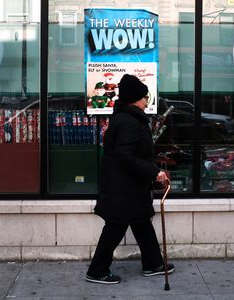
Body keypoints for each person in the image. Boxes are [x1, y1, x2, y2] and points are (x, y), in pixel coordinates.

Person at [85, 74, 174, 284]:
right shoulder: (128, 122)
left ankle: (153, 263)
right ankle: (97, 271)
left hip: (130, 185)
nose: (147, 101)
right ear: (135, 99)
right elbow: (125, 156)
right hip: (123, 187)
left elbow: (136, 154)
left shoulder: (129, 118)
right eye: (144, 97)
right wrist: (154, 172)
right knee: (115, 228)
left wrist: (150, 169)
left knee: (142, 221)